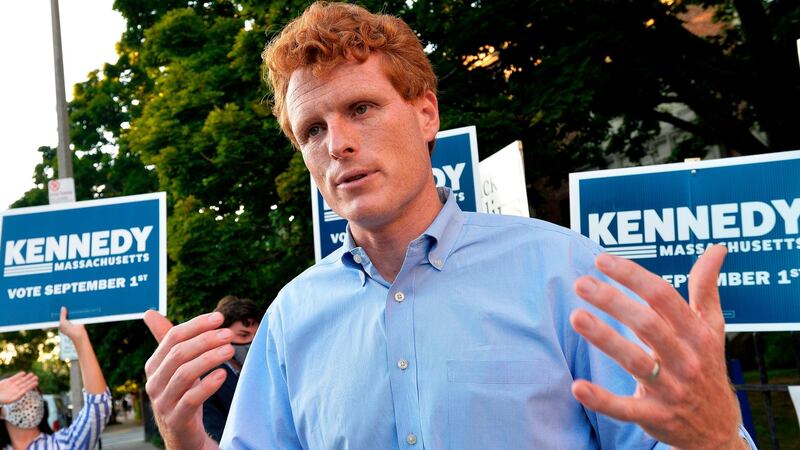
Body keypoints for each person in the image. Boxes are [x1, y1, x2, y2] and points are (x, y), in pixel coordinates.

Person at [143, 3, 756, 449]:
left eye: (361, 108)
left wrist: (715, 439)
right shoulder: (289, 321)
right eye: (314, 129)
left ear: (426, 113)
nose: (340, 144)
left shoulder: (568, 276)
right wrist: (186, 440)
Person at [0, 307, 112, 449]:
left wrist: (80, 339)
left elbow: (98, 407)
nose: (28, 401)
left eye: (32, 393)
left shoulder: (63, 445)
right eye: (17, 394)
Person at [202, 296, 262, 443]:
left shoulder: (265, 371)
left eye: (258, 335)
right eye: (243, 335)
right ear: (221, 335)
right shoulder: (208, 381)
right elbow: (215, 436)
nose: (253, 342)